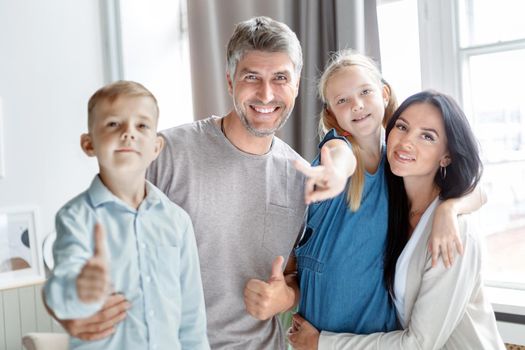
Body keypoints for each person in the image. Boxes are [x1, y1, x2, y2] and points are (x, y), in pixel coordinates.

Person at [44, 17, 352, 350]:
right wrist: (71, 313)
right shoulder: (165, 154)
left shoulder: (300, 177)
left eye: (280, 78)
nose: (266, 93)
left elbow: (299, 272)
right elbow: (80, 245)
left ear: (295, 86)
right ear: (230, 81)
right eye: (252, 77)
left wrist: (286, 295)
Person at [288, 90, 505, 349]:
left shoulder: (456, 234)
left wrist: (322, 343)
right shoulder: (392, 204)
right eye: (402, 127)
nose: (406, 142)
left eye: (427, 136)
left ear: (446, 155)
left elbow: (419, 343)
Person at [44, 81, 209, 349]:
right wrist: (80, 288)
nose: (128, 133)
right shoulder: (75, 218)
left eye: (141, 125)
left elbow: (192, 319)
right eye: (113, 124)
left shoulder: (177, 222)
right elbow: (59, 296)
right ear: (88, 144)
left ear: (156, 147)